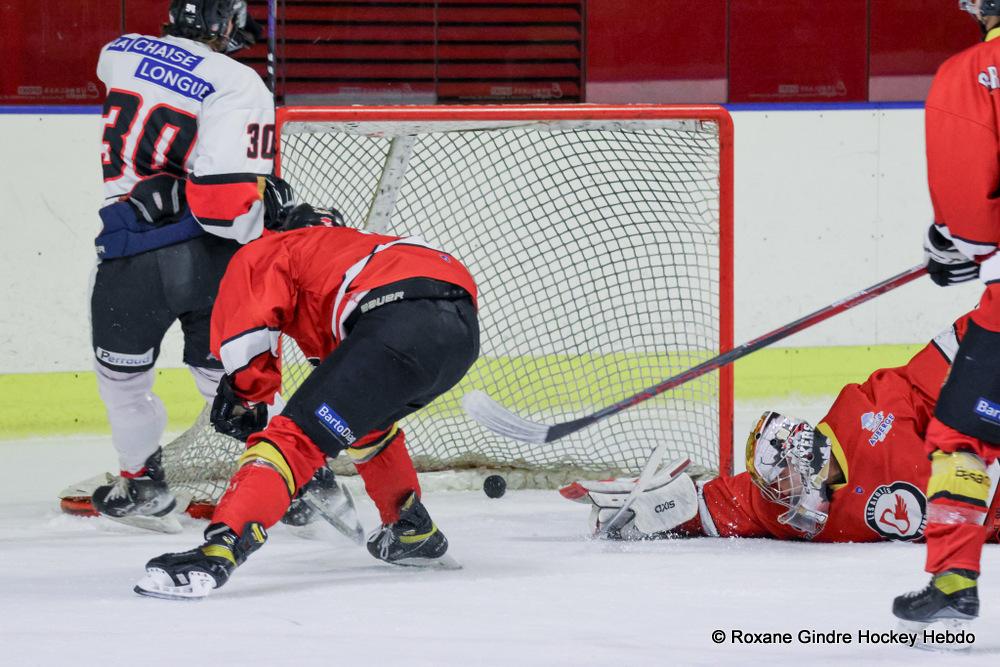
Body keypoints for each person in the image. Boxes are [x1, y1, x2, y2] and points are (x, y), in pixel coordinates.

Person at [133, 202, 481, 599]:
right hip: (459, 336)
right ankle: (410, 530)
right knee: (365, 422)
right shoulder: (355, 249)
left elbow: (245, 331)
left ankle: (218, 551)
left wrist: (247, 395)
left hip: (397, 321)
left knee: (291, 439)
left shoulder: (277, 247)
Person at [88, 0, 296, 532]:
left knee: (123, 385)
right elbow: (225, 204)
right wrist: (270, 241)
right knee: (227, 380)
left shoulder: (117, 52)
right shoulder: (239, 81)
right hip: (209, 257)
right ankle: (300, 485)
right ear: (226, 21)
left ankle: (142, 484)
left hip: (126, 257)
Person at [563, 314, 1000, 549]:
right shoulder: (790, 513)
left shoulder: (874, 416)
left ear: (807, 459)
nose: (782, 499)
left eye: (785, 485)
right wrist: (668, 507)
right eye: (776, 491)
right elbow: (720, 503)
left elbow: (957, 358)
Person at [887, 0, 1000, 632]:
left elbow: (966, 199)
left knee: (961, 436)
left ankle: (956, 581)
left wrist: (959, 244)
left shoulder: (974, 72)